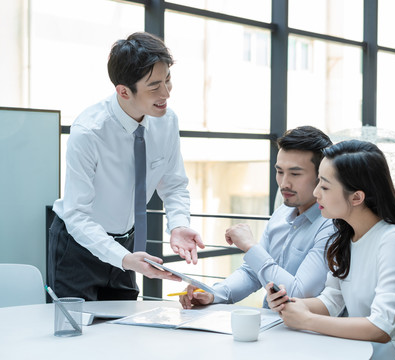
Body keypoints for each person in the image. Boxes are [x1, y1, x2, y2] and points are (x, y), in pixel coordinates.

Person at [48, 32, 204, 301]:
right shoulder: (89, 132)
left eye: (168, 80)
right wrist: (123, 258)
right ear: (123, 91)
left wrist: (178, 224)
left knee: (124, 333)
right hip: (78, 248)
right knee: (74, 336)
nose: (166, 94)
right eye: (154, 86)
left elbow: (174, 184)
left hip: (127, 247)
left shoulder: (166, 121)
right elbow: (77, 214)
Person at [266, 139, 395, 359]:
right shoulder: (346, 237)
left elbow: (381, 328)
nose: (316, 192)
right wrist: (290, 305)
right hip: (358, 352)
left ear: (357, 197)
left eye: (325, 186)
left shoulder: (393, 241)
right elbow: (331, 300)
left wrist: (307, 320)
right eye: (318, 181)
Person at [179, 126, 335, 309]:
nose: (284, 183)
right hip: (270, 326)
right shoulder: (281, 214)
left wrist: (251, 246)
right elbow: (253, 273)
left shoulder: (331, 225)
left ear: (321, 176)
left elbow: (298, 294)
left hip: (308, 332)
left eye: (295, 173)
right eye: (279, 172)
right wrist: (213, 294)